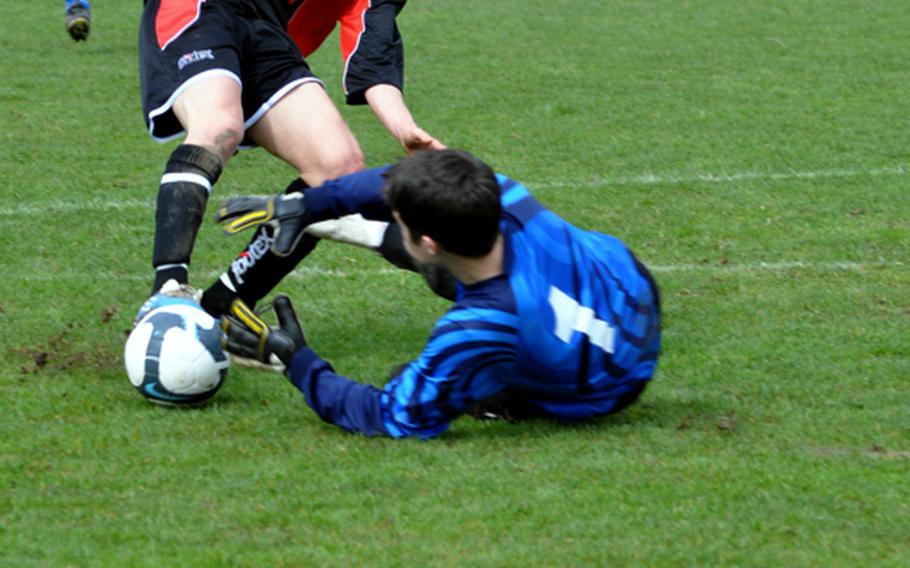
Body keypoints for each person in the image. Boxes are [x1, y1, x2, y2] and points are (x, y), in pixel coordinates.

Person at [217, 149, 662, 438]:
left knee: (411, 380)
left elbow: (394, 414)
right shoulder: (502, 192)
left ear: (428, 242)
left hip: (608, 389)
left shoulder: (478, 327)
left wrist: (298, 361)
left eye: (401, 220)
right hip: (634, 295)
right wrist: (307, 203)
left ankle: (510, 397)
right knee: (451, 283)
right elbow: (392, 183)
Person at [137, 0, 444, 326]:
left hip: (265, 32)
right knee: (218, 125)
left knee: (337, 168)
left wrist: (406, 129)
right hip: (199, 8)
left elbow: (374, 56)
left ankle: (224, 304)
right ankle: (166, 295)